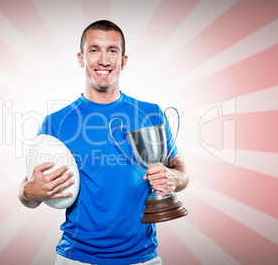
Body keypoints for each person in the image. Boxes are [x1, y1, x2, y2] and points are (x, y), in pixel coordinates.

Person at [18, 20, 189, 265]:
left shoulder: (151, 114)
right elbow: (27, 191)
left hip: (142, 257)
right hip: (76, 258)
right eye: (94, 50)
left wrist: (175, 178)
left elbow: (180, 170)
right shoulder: (55, 122)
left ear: (123, 60)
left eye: (112, 51)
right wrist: (30, 191)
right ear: (81, 58)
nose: (104, 60)